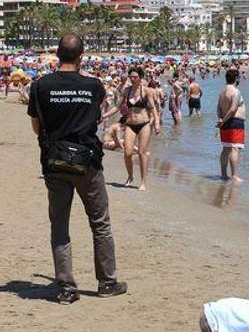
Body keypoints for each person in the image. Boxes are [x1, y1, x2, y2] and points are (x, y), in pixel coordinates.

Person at [27, 34, 127, 304]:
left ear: (57, 54)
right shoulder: (94, 86)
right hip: (87, 162)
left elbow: (37, 126)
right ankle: (107, 282)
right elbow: (95, 118)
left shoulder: (41, 85)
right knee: (100, 223)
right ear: (81, 56)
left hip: (54, 160)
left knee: (59, 225)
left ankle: (66, 287)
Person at [101, 66, 161, 190]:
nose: (133, 79)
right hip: (130, 124)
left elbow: (152, 108)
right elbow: (117, 107)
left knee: (141, 153)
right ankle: (130, 176)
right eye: (131, 77)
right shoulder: (127, 91)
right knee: (127, 153)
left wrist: (157, 123)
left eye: (135, 77)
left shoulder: (147, 91)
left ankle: (143, 181)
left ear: (140, 78)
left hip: (144, 124)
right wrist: (103, 116)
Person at [216, 69, 246, 182]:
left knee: (226, 148)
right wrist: (223, 121)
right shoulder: (236, 91)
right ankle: (234, 175)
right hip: (235, 122)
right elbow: (233, 109)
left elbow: (218, 107)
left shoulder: (222, 91)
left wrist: (220, 119)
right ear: (237, 78)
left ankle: (223, 174)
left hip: (225, 122)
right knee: (235, 149)